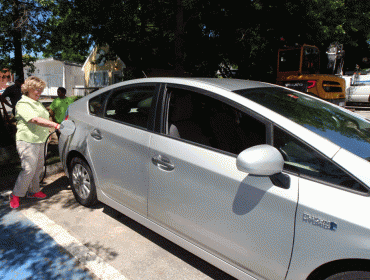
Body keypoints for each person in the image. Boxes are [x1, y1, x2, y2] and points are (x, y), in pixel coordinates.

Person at [9, 76, 61, 209]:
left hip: (40, 140)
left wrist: (47, 135)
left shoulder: (37, 103)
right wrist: (55, 125)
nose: (39, 92)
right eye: (36, 89)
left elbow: (43, 120)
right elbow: (35, 120)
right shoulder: (23, 103)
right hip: (27, 140)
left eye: (40, 89)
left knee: (38, 167)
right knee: (28, 169)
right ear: (28, 89)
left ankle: (34, 190)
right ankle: (16, 194)